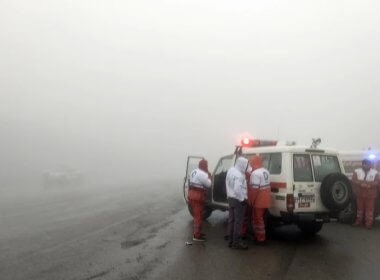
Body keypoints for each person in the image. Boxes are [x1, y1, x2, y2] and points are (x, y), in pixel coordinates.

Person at [226, 157, 249, 249]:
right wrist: (242, 199)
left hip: (230, 198)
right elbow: (237, 189)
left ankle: (231, 240)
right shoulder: (239, 175)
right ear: (242, 164)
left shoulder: (231, 170)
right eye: (246, 165)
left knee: (231, 220)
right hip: (238, 200)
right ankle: (237, 242)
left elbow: (228, 184)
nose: (246, 167)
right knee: (238, 222)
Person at [248, 155, 272, 245]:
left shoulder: (255, 173)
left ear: (254, 162)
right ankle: (260, 236)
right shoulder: (266, 171)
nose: (250, 164)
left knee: (258, 220)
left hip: (259, 201)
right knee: (261, 219)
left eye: (251, 162)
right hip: (267, 200)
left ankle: (260, 239)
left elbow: (254, 190)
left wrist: (251, 201)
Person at [188, 159, 212, 241]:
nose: (207, 167)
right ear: (204, 165)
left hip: (191, 194)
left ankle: (198, 233)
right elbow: (209, 184)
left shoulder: (193, 171)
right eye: (207, 165)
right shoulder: (203, 174)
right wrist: (209, 176)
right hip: (198, 195)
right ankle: (197, 236)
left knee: (197, 215)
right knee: (198, 216)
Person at [352, 159, 379, 229]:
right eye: (365, 164)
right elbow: (354, 180)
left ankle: (368, 224)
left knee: (369, 210)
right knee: (359, 209)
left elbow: (377, 182)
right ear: (363, 164)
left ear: (370, 165)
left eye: (368, 164)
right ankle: (358, 222)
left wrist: (369, 185)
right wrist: (361, 184)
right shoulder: (356, 171)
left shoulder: (375, 172)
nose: (367, 165)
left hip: (370, 195)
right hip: (360, 194)